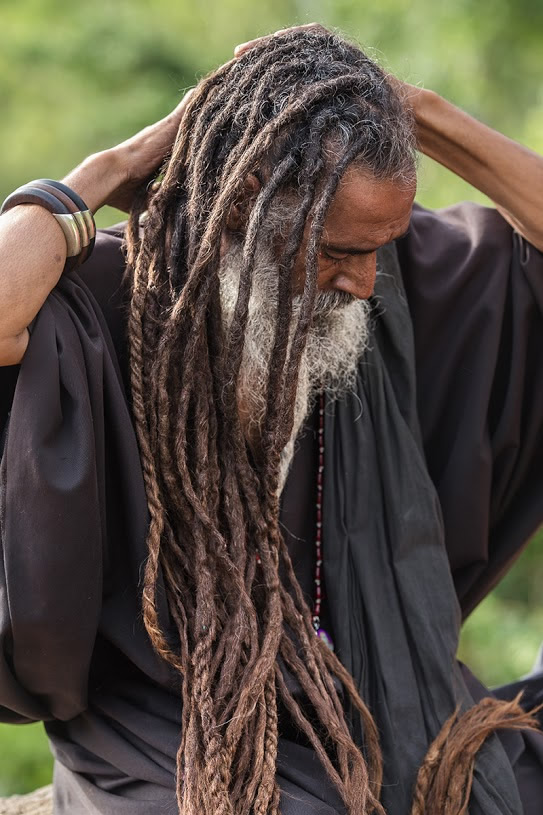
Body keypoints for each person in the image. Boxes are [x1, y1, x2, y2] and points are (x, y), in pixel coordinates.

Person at [0, 23, 542, 815]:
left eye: (378, 248)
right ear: (252, 199)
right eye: (338, 252)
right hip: (171, 725)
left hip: (381, 691)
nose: (363, 282)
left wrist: (420, 112)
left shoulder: (396, 280)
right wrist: (114, 165)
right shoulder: (119, 291)